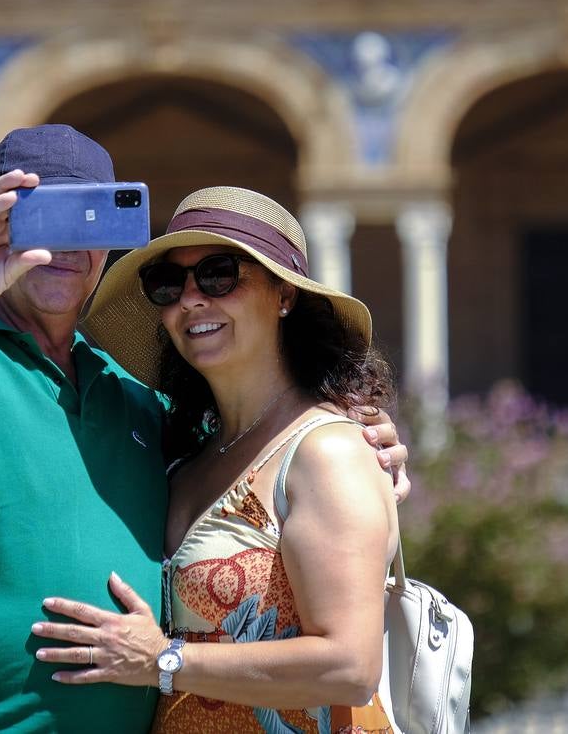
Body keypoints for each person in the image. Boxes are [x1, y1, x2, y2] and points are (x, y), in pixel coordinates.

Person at [0, 125, 407, 732]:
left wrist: (360, 444)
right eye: (36, 218)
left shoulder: (136, 401)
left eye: (84, 217)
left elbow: (270, 462)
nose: (62, 241)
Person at [32, 186, 399, 733]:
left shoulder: (327, 451)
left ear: (283, 294)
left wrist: (163, 661)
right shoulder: (184, 460)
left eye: (219, 274)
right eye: (168, 284)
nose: (191, 299)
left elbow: (349, 667)